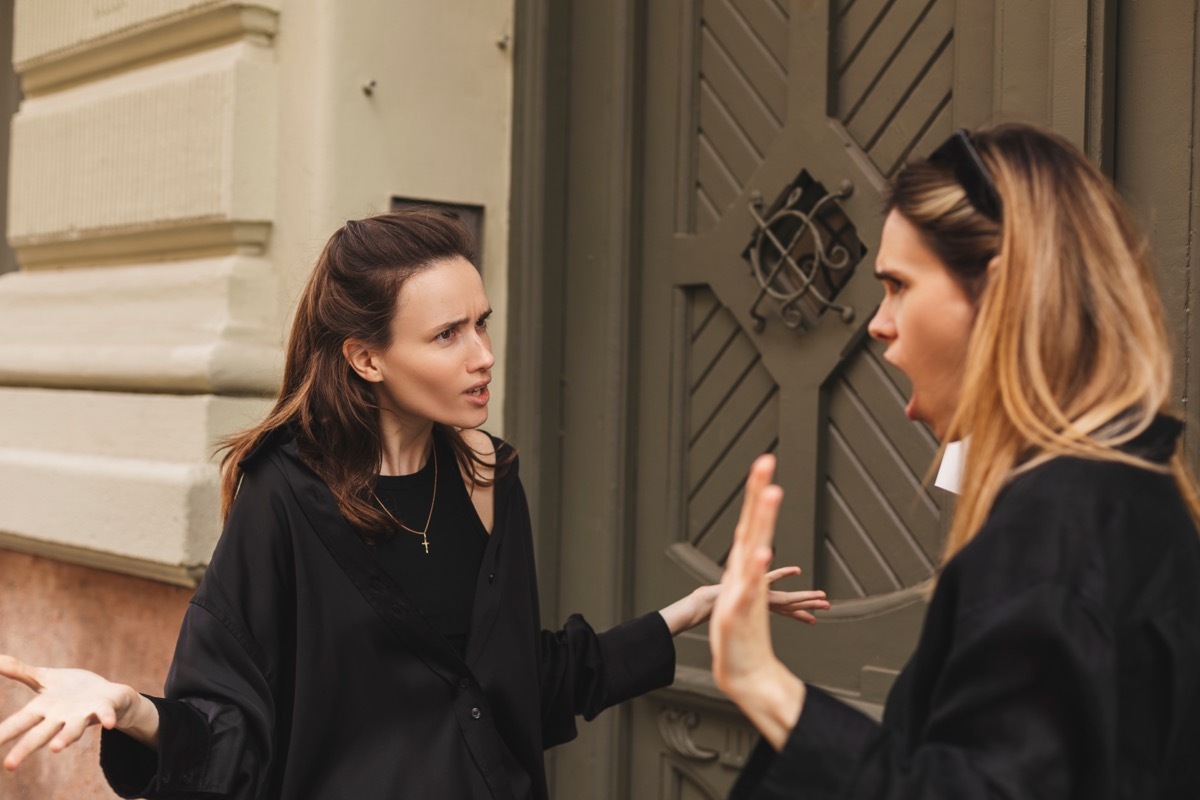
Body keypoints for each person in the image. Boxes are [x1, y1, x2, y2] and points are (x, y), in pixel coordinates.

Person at [0, 210, 830, 799]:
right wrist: (130, 709)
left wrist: (689, 612)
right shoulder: (283, 496)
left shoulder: (488, 475)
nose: (483, 355)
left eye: (482, 324)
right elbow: (231, 728)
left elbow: (520, 685)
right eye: (447, 335)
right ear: (366, 358)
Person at [710, 123, 1200, 799]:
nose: (878, 323)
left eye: (899, 285)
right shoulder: (1126, 492)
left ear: (1001, 297)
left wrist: (763, 684)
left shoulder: (1056, 528)